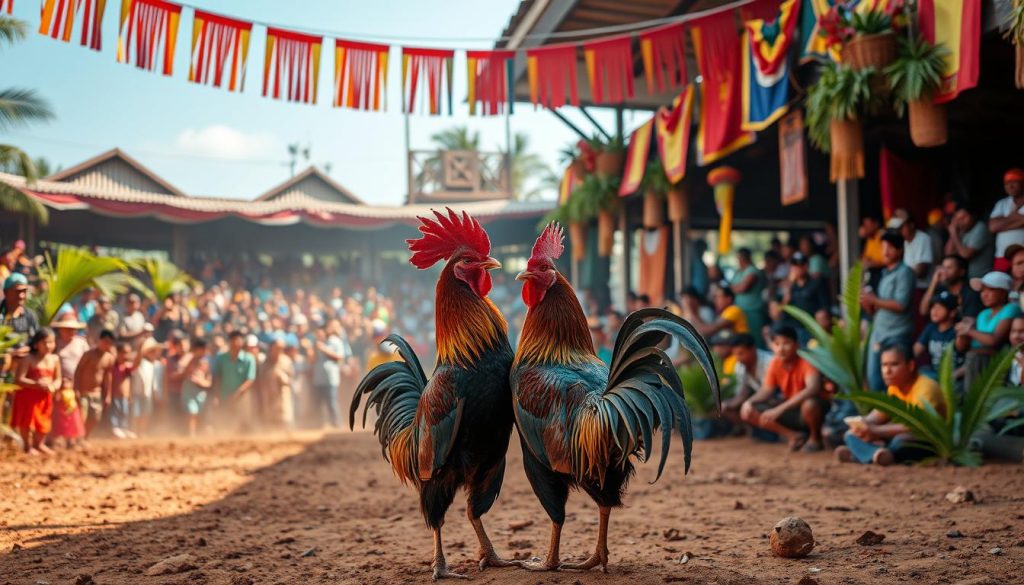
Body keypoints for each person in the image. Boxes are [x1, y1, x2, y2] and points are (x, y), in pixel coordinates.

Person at [835, 341, 946, 465]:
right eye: (884, 365)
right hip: (896, 435)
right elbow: (879, 414)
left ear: (910, 365)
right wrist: (861, 424)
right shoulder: (894, 387)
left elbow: (917, 425)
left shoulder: (926, 387)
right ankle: (876, 454)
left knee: (900, 442)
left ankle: (863, 455)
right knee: (850, 435)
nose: (887, 371)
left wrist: (876, 431)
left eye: (894, 364)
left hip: (929, 441)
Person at [739, 325, 827, 452]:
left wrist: (779, 409)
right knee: (749, 411)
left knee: (810, 404)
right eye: (776, 344)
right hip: (792, 409)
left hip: (811, 409)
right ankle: (793, 436)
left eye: (786, 343)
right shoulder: (775, 363)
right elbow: (766, 390)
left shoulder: (806, 361)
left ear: (796, 345)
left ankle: (815, 438)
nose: (781, 348)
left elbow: (813, 388)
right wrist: (749, 402)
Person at [862, 232, 916, 391]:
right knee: (875, 379)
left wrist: (874, 300)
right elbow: (879, 308)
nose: (885, 251)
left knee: (896, 382)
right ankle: (881, 415)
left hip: (897, 334)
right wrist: (867, 303)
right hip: (879, 333)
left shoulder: (905, 272)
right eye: (883, 247)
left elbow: (901, 304)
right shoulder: (884, 273)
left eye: (890, 247)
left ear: (900, 250)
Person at [956, 271, 1021, 390]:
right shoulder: (983, 314)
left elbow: (994, 341)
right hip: (974, 362)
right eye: (982, 291)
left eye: (989, 290)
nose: (983, 294)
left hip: (995, 364)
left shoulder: (1011, 308)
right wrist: (962, 336)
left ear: (1003, 292)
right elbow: (962, 347)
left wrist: (969, 331)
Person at [11, 328, 60, 455]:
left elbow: (58, 379)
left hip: (45, 396)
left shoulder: (55, 359)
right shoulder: (28, 359)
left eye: (52, 342)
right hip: (28, 396)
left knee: (44, 421)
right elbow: (19, 379)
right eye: (45, 342)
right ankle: (28, 446)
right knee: (28, 421)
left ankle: (39, 444)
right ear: (36, 344)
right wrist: (36, 384)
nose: (49, 346)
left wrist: (54, 386)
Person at [50, 314, 88, 448]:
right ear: (60, 329)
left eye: (73, 329)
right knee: (60, 412)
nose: (71, 331)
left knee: (77, 411)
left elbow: (87, 364)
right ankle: (57, 439)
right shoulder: (54, 343)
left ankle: (75, 439)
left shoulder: (81, 343)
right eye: (67, 329)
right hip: (60, 383)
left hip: (78, 383)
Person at [722, 333, 773, 430]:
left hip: (778, 399)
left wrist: (749, 402)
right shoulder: (740, 367)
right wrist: (727, 405)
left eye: (741, 353)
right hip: (762, 400)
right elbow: (742, 393)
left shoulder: (769, 362)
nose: (738, 358)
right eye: (735, 354)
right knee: (727, 407)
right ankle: (754, 431)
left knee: (750, 407)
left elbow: (768, 391)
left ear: (753, 349)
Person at [779, 252, 831, 346]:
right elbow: (782, 311)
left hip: (811, 326)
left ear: (806, 266)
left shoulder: (816, 283)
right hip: (793, 327)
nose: (797, 269)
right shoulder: (790, 286)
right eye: (795, 266)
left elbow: (825, 306)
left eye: (800, 265)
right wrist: (788, 290)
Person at [211, 330, 257, 432]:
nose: (236, 343)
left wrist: (238, 393)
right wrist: (216, 395)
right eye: (234, 340)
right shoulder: (221, 358)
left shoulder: (249, 359)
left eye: (239, 340)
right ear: (230, 342)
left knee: (242, 423)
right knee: (225, 421)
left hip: (242, 398)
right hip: (224, 397)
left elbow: (250, 379)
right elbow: (217, 377)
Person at [311, 319, 352, 429]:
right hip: (318, 378)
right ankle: (318, 424)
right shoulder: (318, 343)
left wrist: (323, 349)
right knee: (318, 403)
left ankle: (336, 424)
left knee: (331, 402)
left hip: (330, 378)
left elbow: (339, 357)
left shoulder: (335, 341)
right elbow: (312, 360)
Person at [75, 330, 115, 438]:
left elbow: (108, 377)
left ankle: (85, 437)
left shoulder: (109, 358)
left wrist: (108, 395)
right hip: (84, 391)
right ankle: (78, 439)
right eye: (105, 341)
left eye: (110, 342)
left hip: (97, 392)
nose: (107, 344)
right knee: (82, 417)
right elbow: (78, 371)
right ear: (99, 341)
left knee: (95, 418)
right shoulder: (88, 354)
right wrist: (77, 389)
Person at [913, 291, 962, 379]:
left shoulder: (958, 330)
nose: (934, 311)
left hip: (953, 377)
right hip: (933, 373)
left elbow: (968, 362)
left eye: (940, 307)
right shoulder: (930, 328)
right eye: (933, 307)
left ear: (952, 313)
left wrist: (954, 375)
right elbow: (915, 351)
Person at [919, 254, 983, 318]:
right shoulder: (941, 289)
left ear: (961, 272)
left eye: (949, 268)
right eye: (943, 267)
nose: (944, 271)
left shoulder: (970, 294)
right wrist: (934, 282)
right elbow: (924, 311)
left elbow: (969, 321)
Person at [988, 168, 1024, 272]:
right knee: (1001, 285)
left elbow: (998, 225)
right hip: (1002, 256)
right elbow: (993, 227)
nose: (1010, 186)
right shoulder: (1002, 203)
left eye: (1014, 182)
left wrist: (1003, 222)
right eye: (1007, 183)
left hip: (1023, 255)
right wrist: (1019, 218)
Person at [1, 273, 39, 368]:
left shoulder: (30, 316)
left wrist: (28, 349)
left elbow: (37, 340)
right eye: (17, 292)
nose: (21, 296)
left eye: (24, 291)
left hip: (24, 368)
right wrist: (10, 353)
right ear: (6, 292)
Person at [730, 248, 766, 348]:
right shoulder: (739, 271)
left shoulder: (753, 270)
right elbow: (732, 287)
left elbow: (743, 288)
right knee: (743, 341)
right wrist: (735, 287)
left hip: (753, 311)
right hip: (741, 311)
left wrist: (734, 287)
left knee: (755, 340)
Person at [946, 206, 994, 279]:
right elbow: (948, 253)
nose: (960, 222)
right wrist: (953, 232)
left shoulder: (980, 228)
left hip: (982, 278)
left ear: (973, 216)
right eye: (957, 219)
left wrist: (954, 234)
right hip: (968, 279)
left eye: (963, 218)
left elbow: (966, 254)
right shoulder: (961, 231)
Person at [257, 337, 294, 432]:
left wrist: (283, 379)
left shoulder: (286, 361)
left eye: (281, 348)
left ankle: (286, 435)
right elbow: (261, 377)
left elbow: (291, 378)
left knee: (284, 415)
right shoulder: (265, 362)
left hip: (283, 392)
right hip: (269, 393)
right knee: (270, 416)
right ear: (271, 348)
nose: (279, 351)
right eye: (277, 348)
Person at [888, 212, 933, 288]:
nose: (898, 231)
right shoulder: (904, 241)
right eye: (896, 228)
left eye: (901, 227)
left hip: (921, 287)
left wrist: (898, 273)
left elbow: (920, 272)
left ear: (911, 225)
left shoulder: (923, 238)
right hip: (908, 286)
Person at [130, 338, 162, 437]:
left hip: (148, 394)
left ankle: (142, 432)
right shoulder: (139, 362)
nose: (154, 353)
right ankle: (135, 431)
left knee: (145, 414)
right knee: (136, 413)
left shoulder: (155, 365)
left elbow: (154, 382)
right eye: (151, 351)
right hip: (137, 392)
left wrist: (156, 393)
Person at [181, 337, 212, 437]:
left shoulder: (206, 362)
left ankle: (197, 433)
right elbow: (184, 372)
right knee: (192, 412)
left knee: (198, 413)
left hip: (200, 392)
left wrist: (203, 383)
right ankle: (191, 434)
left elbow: (208, 379)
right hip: (189, 389)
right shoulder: (189, 359)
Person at [109, 341, 134, 439]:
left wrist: (130, 395)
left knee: (124, 412)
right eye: (124, 352)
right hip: (115, 395)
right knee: (115, 412)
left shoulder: (127, 367)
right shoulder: (113, 366)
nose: (126, 355)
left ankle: (123, 428)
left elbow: (129, 382)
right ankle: (115, 428)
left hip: (125, 396)